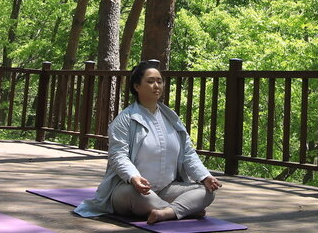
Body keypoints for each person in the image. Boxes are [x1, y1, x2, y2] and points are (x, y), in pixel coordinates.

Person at [73, 60, 222, 224]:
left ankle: (167, 212)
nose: (156, 86)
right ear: (137, 87)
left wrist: (204, 176)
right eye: (150, 81)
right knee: (136, 196)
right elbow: (118, 156)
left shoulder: (171, 118)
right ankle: (182, 210)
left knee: (207, 192)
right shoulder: (125, 120)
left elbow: (187, 153)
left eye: (159, 81)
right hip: (131, 189)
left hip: (167, 188)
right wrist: (134, 178)